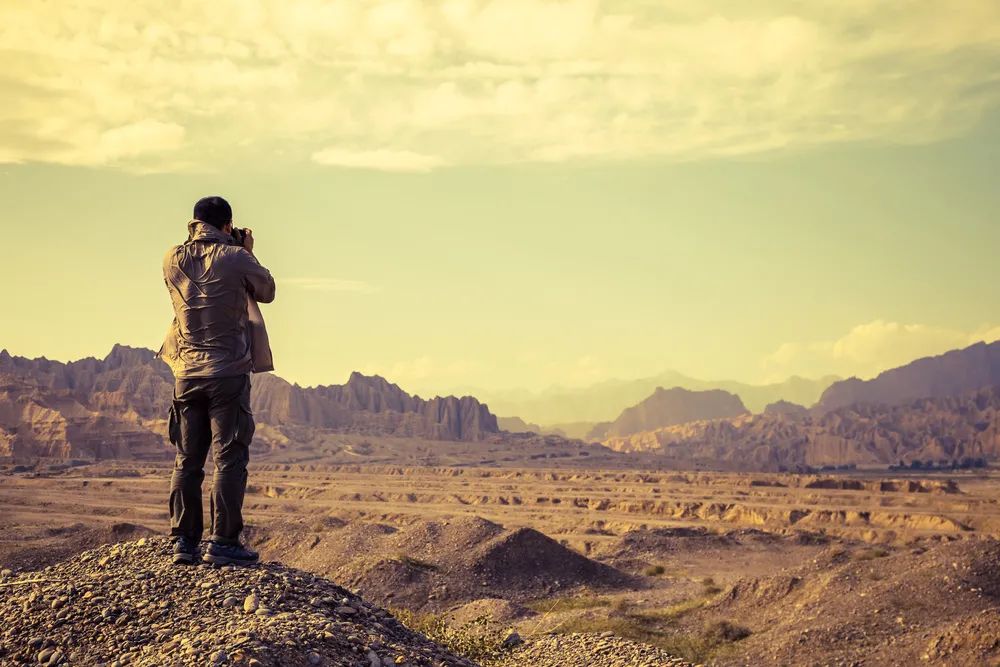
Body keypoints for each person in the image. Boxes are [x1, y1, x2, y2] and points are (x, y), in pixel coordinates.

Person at [157, 196, 276, 566]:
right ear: (227, 226)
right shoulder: (236, 257)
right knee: (229, 458)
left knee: (187, 459)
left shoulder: (171, 257)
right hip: (227, 371)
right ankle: (223, 542)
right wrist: (245, 250)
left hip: (186, 373)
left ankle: (183, 541)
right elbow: (267, 291)